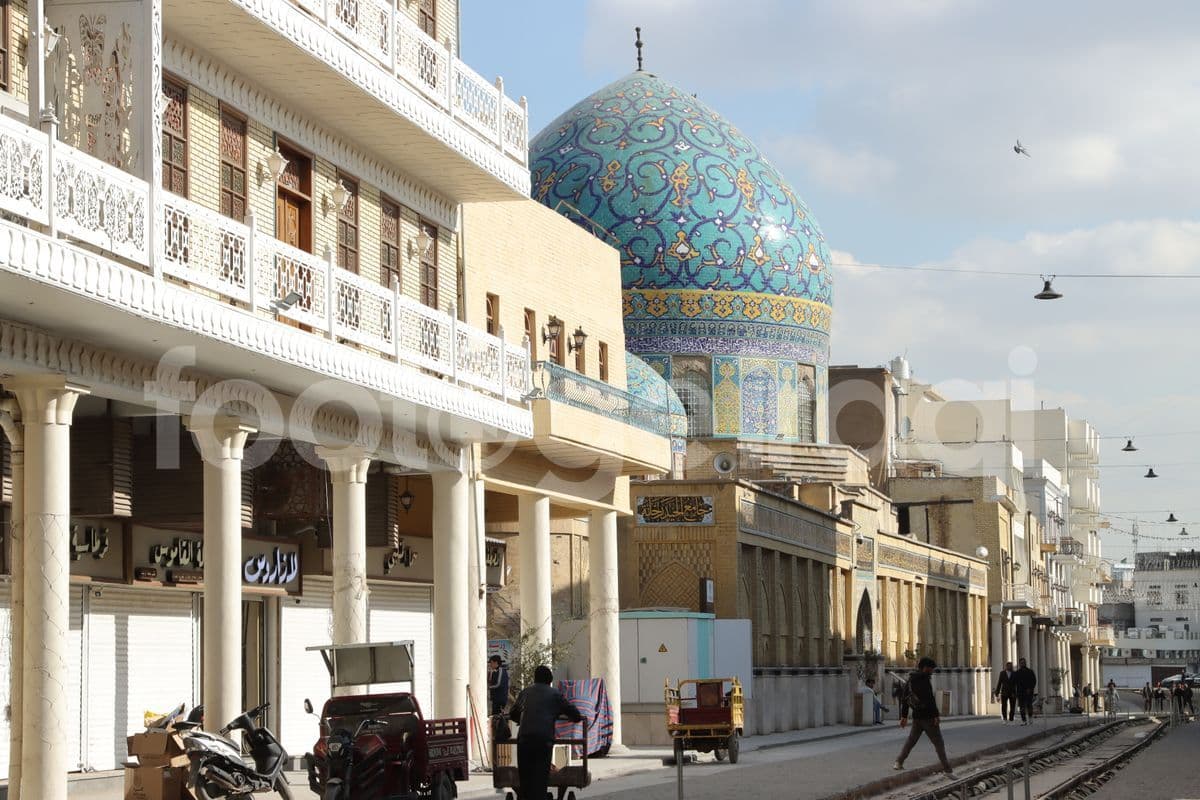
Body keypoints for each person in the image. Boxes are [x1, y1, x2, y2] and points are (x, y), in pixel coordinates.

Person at [509, 665, 583, 800]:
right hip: (543, 741)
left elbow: (513, 713)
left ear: (534, 679)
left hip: (524, 740)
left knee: (526, 778)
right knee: (540, 778)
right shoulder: (555, 694)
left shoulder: (525, 693)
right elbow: (575, 715)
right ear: (550, 680)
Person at [893, 657, 954, 777]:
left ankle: (898, 762)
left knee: (911, 741)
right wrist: (936, 715)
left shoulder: (911, 679)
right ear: (925, 668)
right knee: (939, 743)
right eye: (931, 669)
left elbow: (905, 698)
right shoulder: (924, 680)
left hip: (917, 717)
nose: (932, 671)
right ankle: (948, 770)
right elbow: (930, 699)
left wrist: (904, 716)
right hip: (928, 717)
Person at [1013, 658, 1037, 725]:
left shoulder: (1030, 671)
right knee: (1022, 707)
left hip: (1029, 692)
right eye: (1021, 663)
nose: (1022, 664)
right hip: (1020, 692)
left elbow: (1034, 681)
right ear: (1019, 664)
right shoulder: (1017, 673)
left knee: (1029, 705)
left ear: (1025, 663)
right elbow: (1015, 683)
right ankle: (1024, 720)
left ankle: (1030, 717)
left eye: (1023, 662)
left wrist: (1030, 688)